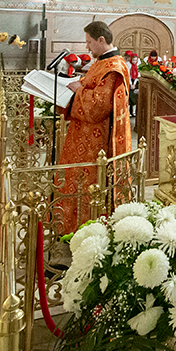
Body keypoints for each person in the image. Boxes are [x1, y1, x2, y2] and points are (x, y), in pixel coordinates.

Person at [54, 21, 133, 235]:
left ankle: (86, 228)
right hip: (82, 136)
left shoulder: (114, 67)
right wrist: (79, 85)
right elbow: (91, 85)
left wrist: (78, 90)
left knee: (88, 186)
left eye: (89, 42)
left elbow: (98, 107)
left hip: (96, 142)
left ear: (101, 40)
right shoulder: (102, 62)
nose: (87, 47)